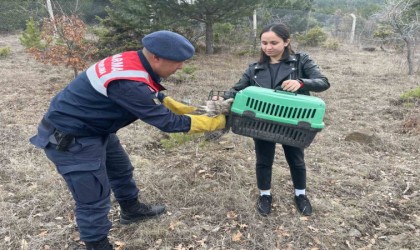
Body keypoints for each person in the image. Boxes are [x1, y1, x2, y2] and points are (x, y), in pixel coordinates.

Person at [30, 30, 226, 249]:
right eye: (177, 62)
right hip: (72, 139)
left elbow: (146, 87)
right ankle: (97, 244)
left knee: (121, 169)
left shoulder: (134, 59)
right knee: (93, 198)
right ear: (156, 57)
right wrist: (216, 123)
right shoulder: (127, 83)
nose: (180, 67)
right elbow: (168, 123)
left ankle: (131, 210)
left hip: (95, 129)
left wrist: (167, 100)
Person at [223, 23, 330, 216]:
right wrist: (222, 97)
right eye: (264, 43)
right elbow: (237, 89)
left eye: (274, 42)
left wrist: (301, 82)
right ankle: (265, 195)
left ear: (287, 41)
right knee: (263, 159)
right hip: (262, 121)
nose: (268, 47)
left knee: (296, 159)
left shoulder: (301, 61)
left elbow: (323, 82)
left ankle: (300, 194)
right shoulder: (255, 68)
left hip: (294, 121)